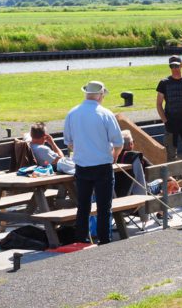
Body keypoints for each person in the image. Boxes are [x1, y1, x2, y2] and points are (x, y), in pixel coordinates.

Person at [63, 80, 123, 245]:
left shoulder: (72, 113)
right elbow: (118, 142)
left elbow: (68, 142)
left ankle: (81, 239)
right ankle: (104, 239)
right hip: (103, 164)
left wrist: (83, 149)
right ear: (101, 94)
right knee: (104, 207)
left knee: (83, 206)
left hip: (82, 165)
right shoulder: (105, 114)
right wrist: (114, 155)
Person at [156, 55, 182, 162]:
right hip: (171, 123)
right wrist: (165, 121)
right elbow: (159, 104)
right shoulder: (163, 83)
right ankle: (174, 178)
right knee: (170, 156)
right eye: (172, 66)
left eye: (177, 66)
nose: (175, 69)